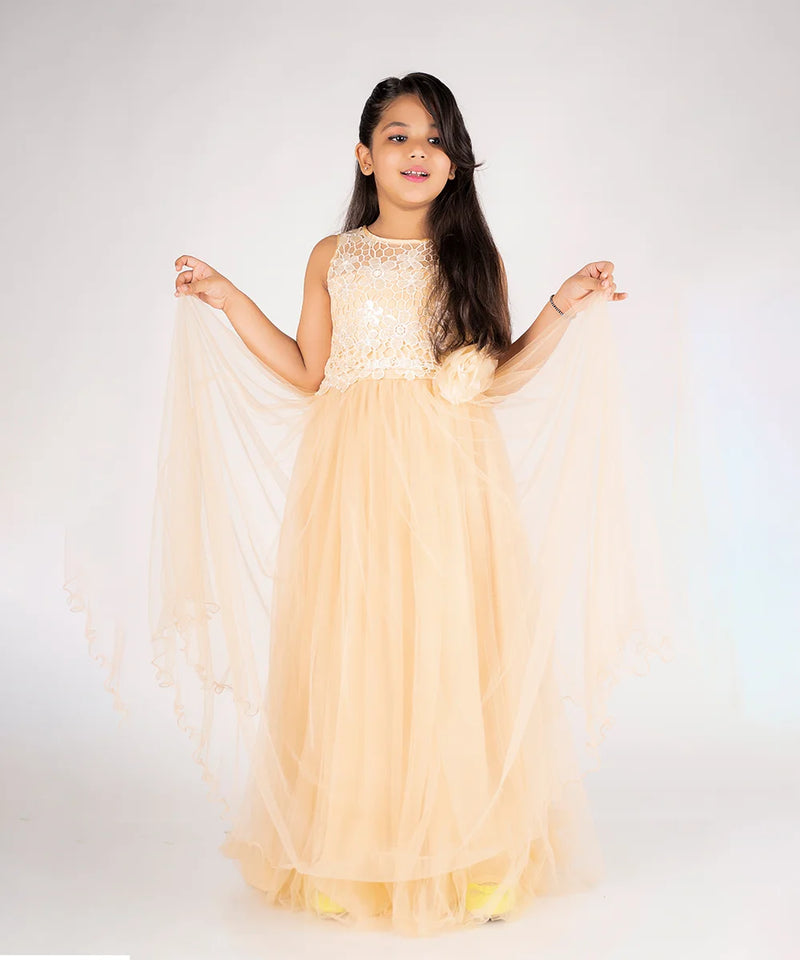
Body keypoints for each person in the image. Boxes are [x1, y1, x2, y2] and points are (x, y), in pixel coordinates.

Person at [64, 71, 681, 937]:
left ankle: (472, 855)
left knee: (446, 646)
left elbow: (496, 375)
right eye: (397, 135)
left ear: (457, 163)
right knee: (356, 649)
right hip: (350, 475)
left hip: (445, 469)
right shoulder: (334, 255)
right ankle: (348, 847)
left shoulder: (472, 259)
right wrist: (228, 297)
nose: (416, 150)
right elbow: (308, 370)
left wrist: (562, 308)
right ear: (364, 156)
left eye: (433, 138)